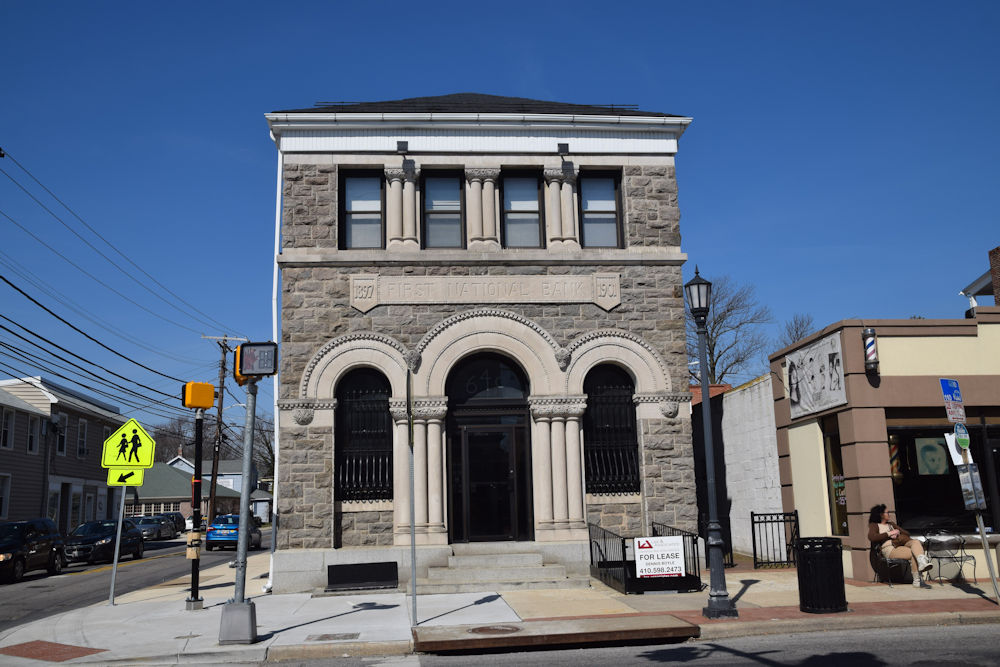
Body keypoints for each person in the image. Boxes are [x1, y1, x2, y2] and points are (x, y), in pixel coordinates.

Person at [868, 504, 932, 587]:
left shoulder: (891, 524)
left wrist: (897, 532)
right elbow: (872, 537)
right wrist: (889, 533)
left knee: (915, 543)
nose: (889, 514)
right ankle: (918, 580)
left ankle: (921, 562)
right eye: (887, 512)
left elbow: (907, 534)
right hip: (889, 549)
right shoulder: (874, 525)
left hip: (900, 544)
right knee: (914, 553)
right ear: (881, 514)